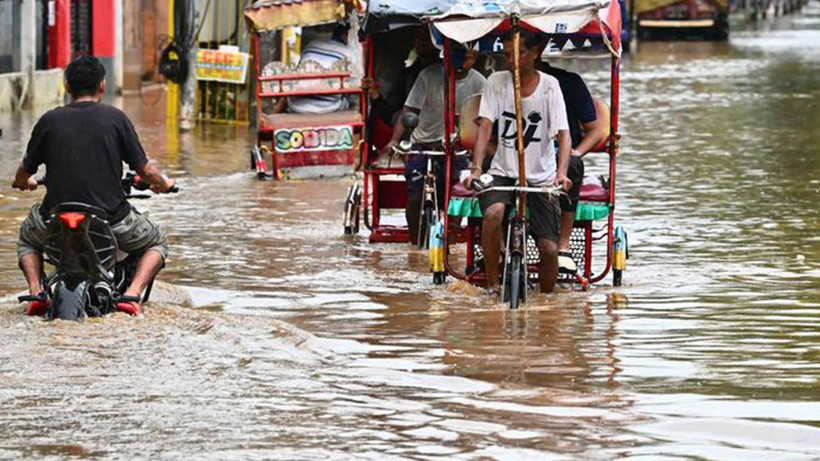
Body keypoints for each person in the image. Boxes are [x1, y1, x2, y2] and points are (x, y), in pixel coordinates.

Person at [12, 56, 175, 316]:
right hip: (112, 221)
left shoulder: (49, 120)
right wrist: (164, 184)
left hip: (53, 219)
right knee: (157, 242)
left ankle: (36, 292)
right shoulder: (116, 118)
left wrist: (24, 183)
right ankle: (132, 295)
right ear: (102, 85)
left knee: (27, 239)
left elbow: (24, 171)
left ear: (67, 86)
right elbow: (145, 170)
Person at [464, 30, 571, 294]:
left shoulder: (550, 86)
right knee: (493, 214)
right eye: (507, 54)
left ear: (535, 54)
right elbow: (485, 126)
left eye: (519, 53)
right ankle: (491, 283)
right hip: (503, 171)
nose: (512, 60)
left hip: (541, 176)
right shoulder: (496, 82)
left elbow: (564, 134)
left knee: (548, 248)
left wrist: (562, 173)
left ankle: (546, 299)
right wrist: (476, 168)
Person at [380, 46, 486, 245]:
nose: (467, 58)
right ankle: (415, 247)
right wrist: (395, 140)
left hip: (457, 148)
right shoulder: (428, 76)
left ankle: (450, 243)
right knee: (414, 199)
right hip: (423, 145)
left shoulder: (480, 82)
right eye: (463, 53)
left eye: (472, 55)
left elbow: (484, 121)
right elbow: (409, 109)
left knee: (457, 200)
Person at [537, 55, 606, 274]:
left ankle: (563, 247)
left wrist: (575, 152)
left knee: (573, 165)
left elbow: (595, 129)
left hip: (561, 155)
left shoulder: (567, 83)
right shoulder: (505, 83)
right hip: (524, 154)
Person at [274, 23, 354, 114]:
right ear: (346, 36)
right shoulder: (350, 54)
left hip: (296, 106)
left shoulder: (312, 45)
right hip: (331, 107)